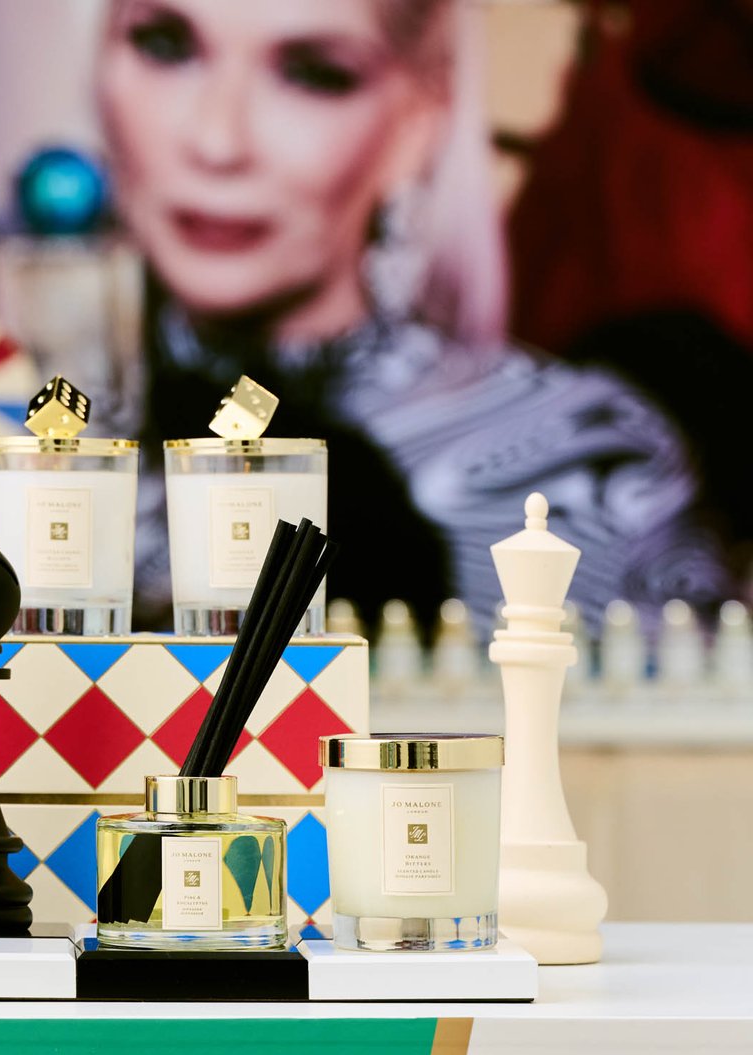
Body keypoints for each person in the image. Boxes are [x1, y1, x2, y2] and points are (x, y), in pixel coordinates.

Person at [90, 0, 732, 635]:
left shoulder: (580, 467)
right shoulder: (43, 431)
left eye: (314, 74)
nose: (217, 141)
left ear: (418, 121)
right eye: (166, 46)